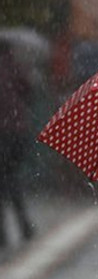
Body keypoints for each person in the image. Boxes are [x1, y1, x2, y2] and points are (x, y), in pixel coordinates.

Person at [0, 41, 35, 247]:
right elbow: (28, 90)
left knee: (4, 182)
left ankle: (4, 233)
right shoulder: (14, 66)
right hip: (17, 130)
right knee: (11, 179)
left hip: (4, 132)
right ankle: (24, 224)